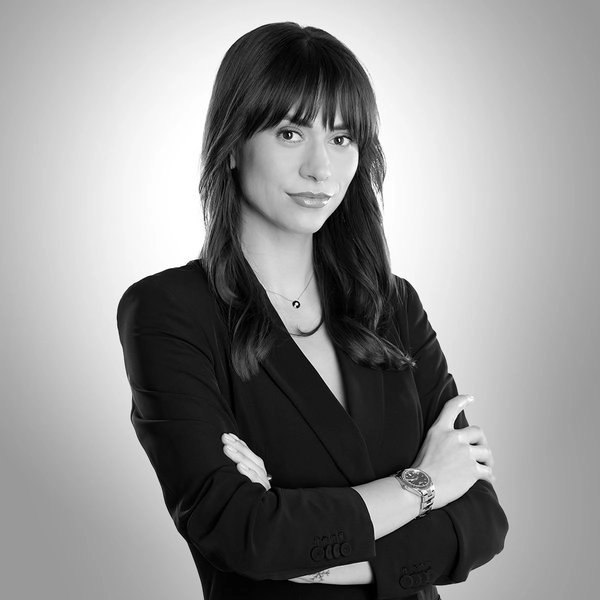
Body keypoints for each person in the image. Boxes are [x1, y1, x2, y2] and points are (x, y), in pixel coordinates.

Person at [116, 22, 508, 600]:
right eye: (290, 133)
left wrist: (334, 554)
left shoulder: (392, 304)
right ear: (232, 145)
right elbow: (245, 532)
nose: (320, 168)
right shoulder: (168, 311)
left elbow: (483, 519)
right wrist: (424, 484)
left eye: (342, 138)